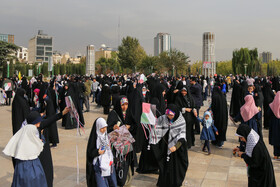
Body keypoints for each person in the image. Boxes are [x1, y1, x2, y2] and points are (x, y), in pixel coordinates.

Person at [25, 107, 69, 187]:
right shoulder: (28, 135)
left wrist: (62, 113)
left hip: (46, 160)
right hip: (37, 163)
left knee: (48, 176)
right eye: (37, 123)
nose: (39, 124)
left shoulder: (38, 126)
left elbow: (50, 120)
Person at [152, 104, 188, 187]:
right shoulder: (163, 118)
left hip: (177, 148)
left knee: (175, 167)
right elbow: (156, 128)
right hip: (165, 146)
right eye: (167, 115)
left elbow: (182, 137)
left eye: (171, 115)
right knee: (164, 166)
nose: (169, 117)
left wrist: (175, 147)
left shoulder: (181, 121)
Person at [107, 96, 136, 186]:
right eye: (122, 105)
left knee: (127, 163)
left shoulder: (129, 113)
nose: (124, 107)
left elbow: (135, 125)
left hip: (127, 145)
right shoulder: (113, 114)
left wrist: (130, 127)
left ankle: (126, 180)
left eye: (126, 104)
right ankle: (118, 180)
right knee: (118, 164)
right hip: (117, 146)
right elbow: (107, 129)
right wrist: (113, 127)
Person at [86, 118, 117, 187]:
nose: (104, 130)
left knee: (112, 182)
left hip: (109, 164)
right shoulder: (94, 138)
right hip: (99, 166)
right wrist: (98, 152)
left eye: (105, 127)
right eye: (102, 128)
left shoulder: (106, 135)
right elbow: (90, 152)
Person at [268, 91, 280, 159]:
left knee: (275, 138)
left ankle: (276, 154)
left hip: (274, 124)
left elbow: (268, 114)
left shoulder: (272, 105)